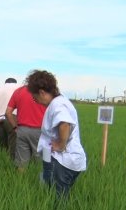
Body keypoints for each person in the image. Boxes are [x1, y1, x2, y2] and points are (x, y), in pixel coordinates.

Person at [26, 70, 86, 202]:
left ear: (42, 92)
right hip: (56, 157)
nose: (34, 100)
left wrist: (60, 145)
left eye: (34, 96)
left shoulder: (58, 104)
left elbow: (64, 124)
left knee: (59, 198)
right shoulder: (59, 101)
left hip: (63, 160)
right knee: (51, 190)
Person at [5, 82, 46, 171]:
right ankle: (40, 182)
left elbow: (8, 112)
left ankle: (20, 181)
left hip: (22, 130)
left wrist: (15, 127)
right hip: (41, 132)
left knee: (21, 163)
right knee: (43, 161)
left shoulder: (18, 91)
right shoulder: (44, 92)